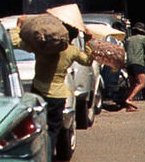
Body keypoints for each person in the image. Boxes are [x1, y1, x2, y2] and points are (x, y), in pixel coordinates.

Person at [11, 19, 95, 155]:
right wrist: (88, 41)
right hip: (58, 96)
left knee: (35, 129)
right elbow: (88, 61)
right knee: (53, 132)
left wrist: (18, 26)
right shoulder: (72, 51)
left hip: (39, 92)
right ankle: (48, 156)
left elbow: (14, 41)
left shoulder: (41, 47)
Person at [123, 21, 145, 111]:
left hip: (129, 64)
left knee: (132, 85)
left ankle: (129, 107)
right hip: (138, 63)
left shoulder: (128, 40)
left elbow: (125, 49)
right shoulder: (144, 38)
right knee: (141, 83)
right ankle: (129, 99)